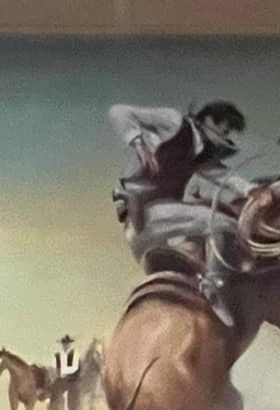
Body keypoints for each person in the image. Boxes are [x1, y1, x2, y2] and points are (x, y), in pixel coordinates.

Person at [107, 99, 255, 324]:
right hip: (147, 213)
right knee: (224, 224)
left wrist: (252, 190)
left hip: (155, 231)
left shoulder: (200, 154)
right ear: (209, 120)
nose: (224, 137)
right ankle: (212, 288)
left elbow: (225, 177)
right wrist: (139, 145)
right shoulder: (173, 122)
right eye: (224, 130)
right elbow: (118, 111)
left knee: (194, 255)